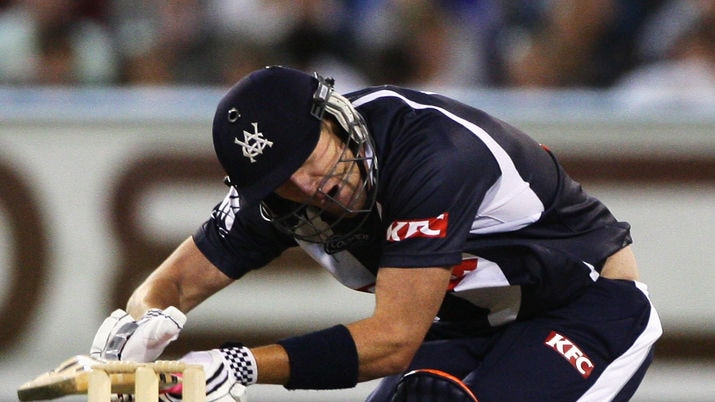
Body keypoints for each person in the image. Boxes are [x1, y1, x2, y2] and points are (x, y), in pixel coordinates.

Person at [89, 66, 662, 401]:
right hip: (473, 322)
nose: (311, 185)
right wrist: (145, 329)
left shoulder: (435, 154)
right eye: (281, 178)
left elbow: (393, 341)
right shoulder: (275, 192)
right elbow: (173, 287)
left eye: (309, 156)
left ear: (335, 117)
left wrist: (240, 365)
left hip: (586, 309)